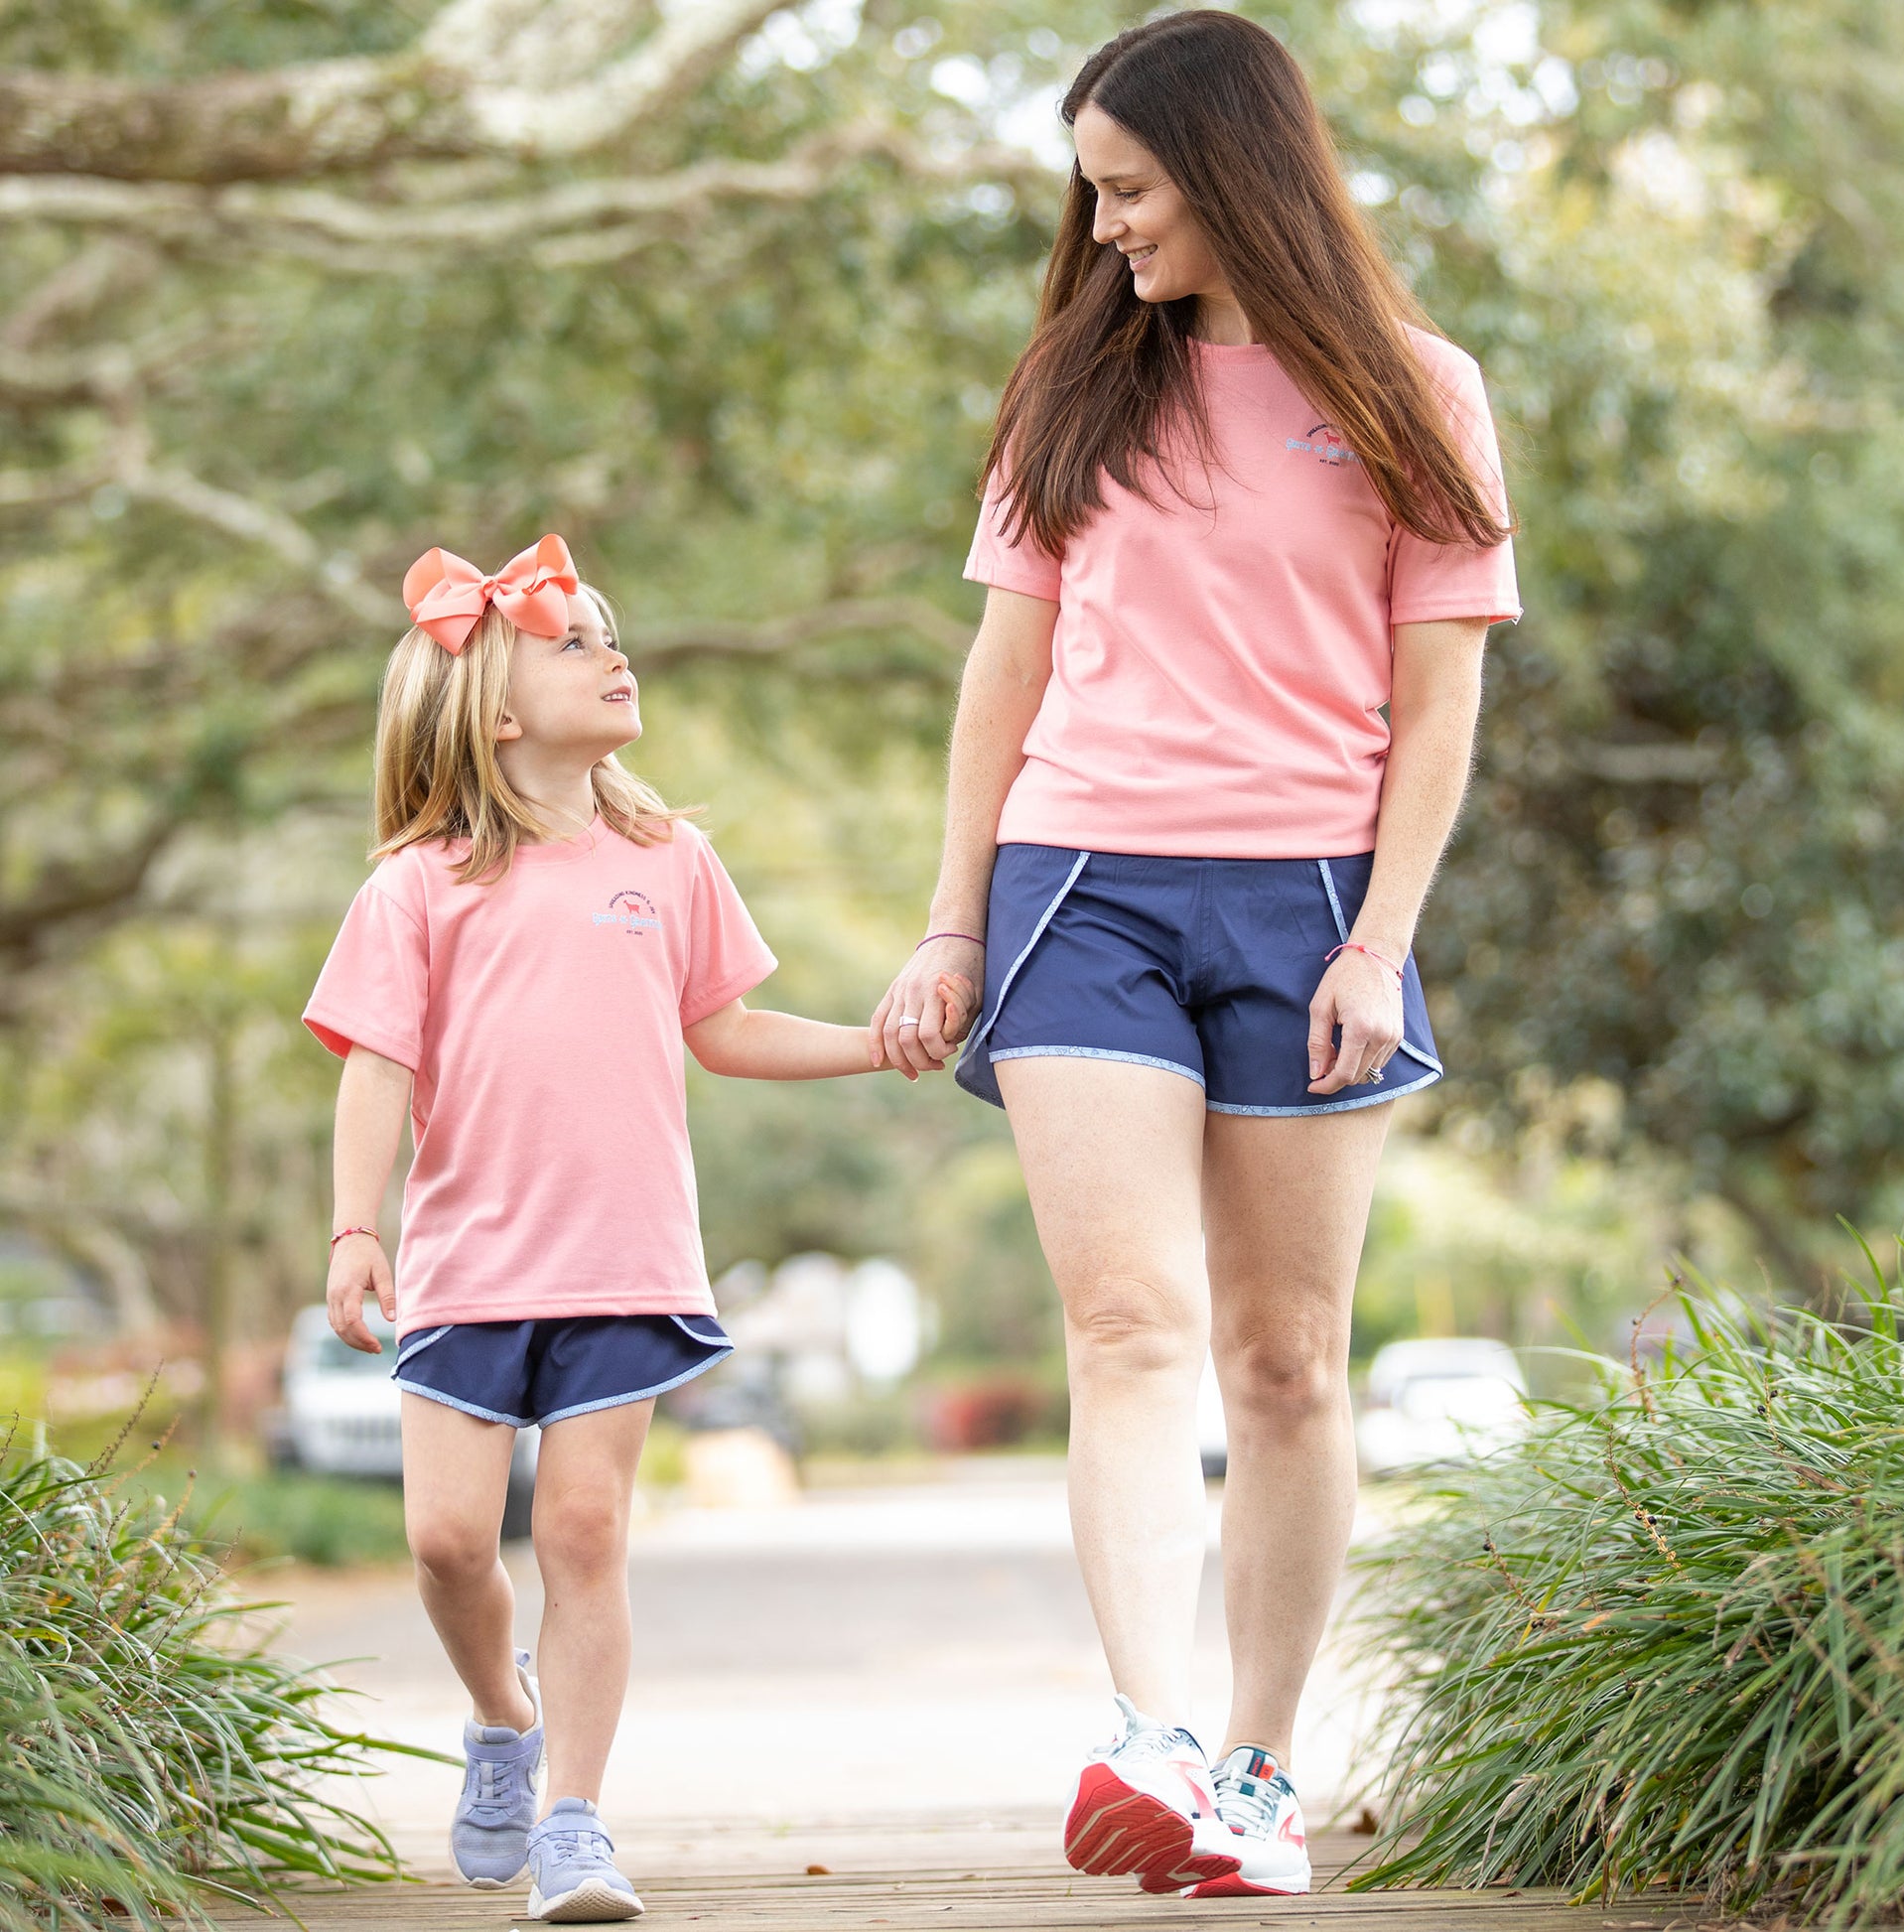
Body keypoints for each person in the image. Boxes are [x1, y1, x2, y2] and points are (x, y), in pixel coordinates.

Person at [871, 12, 1520, 1900]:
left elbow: (1439, 685)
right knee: (1131, 1327)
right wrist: (950, 914)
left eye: (1133, 187)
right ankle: (1147, 1727)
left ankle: (1254, 1768)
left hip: (1312, 899)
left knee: (1290, 1358)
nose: (1108, 221)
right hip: (1081, 882)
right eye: (1094, 188)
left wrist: (1380, 941)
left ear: (1235, 170)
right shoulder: (1071, 389)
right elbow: (1003, 667)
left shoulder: (1419, 391)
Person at [305, 535, 940, 1922]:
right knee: (449, 1543)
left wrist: (870, 1045)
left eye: (610, 630)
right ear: (495, 710)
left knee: (585, 1528)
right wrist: (357, 1230)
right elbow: (374, 1064)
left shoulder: (669, 855)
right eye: (573, 639)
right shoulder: (419, 883)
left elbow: (724, 1028)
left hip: (626, 1254)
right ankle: (500, 1713)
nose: (612, 650)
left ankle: (575, 1823)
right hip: (470, 1268)